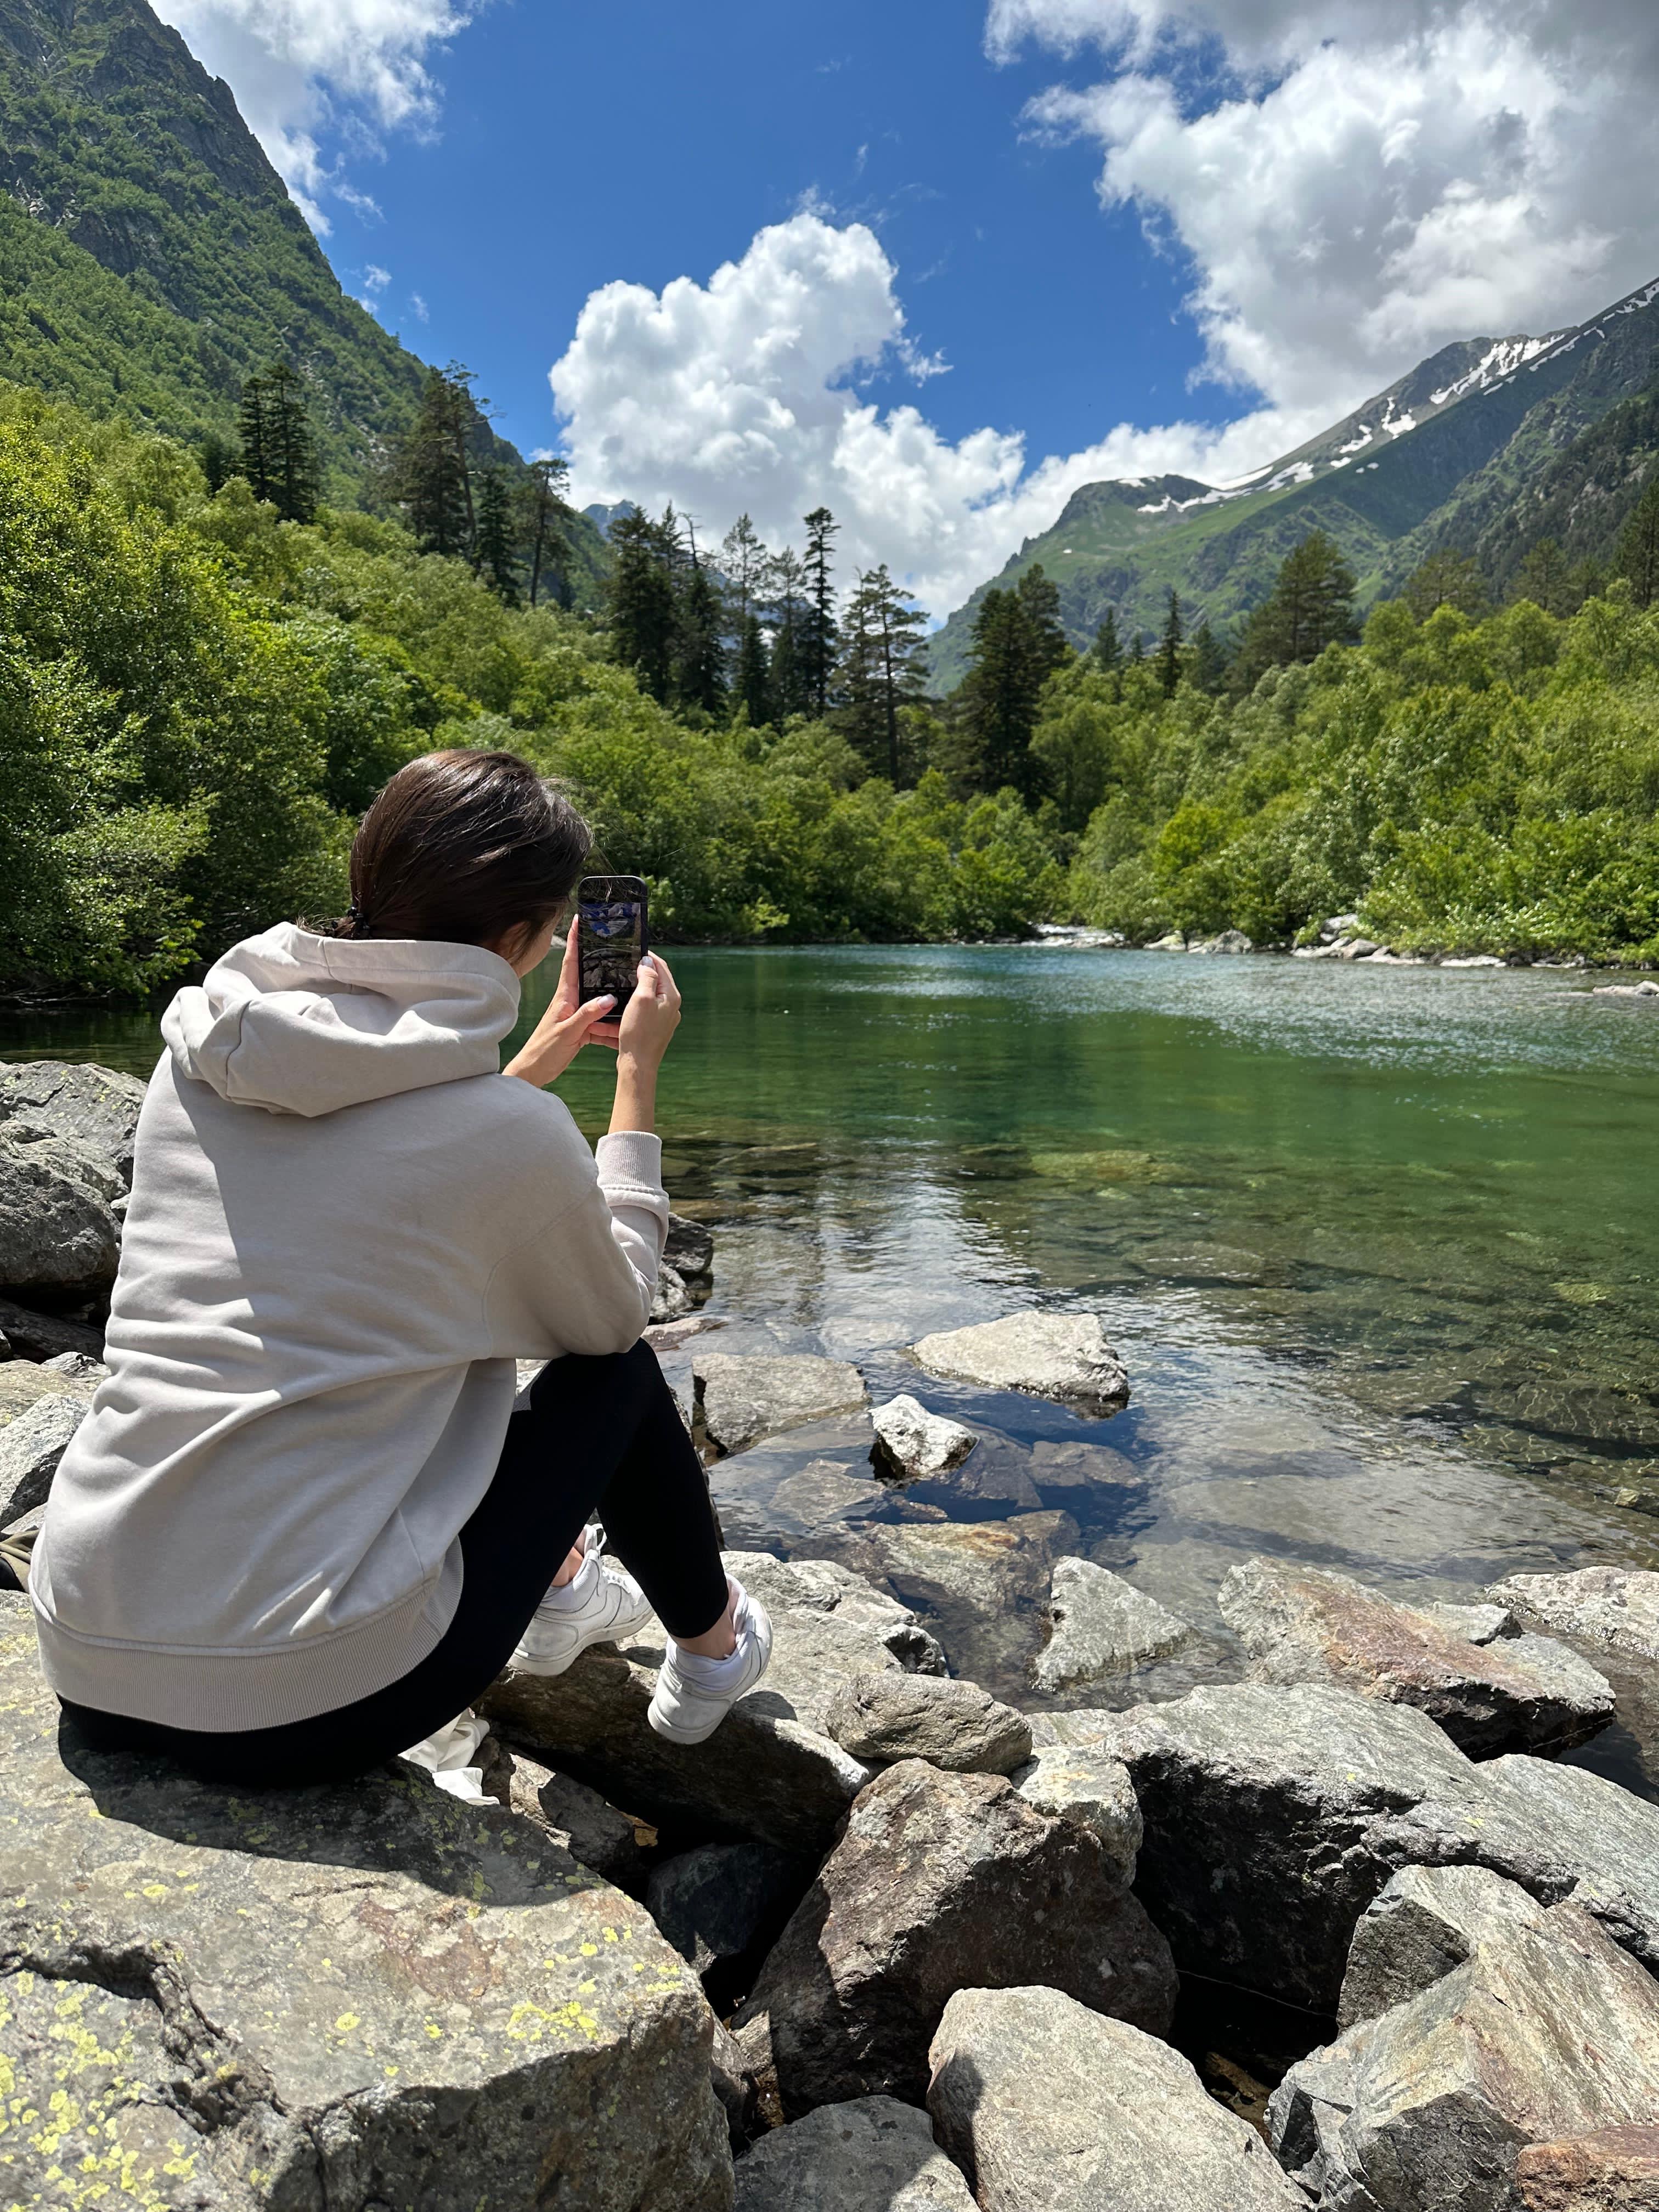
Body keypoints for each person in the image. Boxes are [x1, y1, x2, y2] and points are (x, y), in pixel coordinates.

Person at [29, 748, 771, 1788]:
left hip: (88, 1642)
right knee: (610, 1377)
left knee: (413, 1347)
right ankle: (715, 1646)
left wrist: (531, 1066)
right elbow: (609, 1318)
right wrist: (635, 1079)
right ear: (519, 939)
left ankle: (560, 1588)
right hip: (293, 1704)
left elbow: (378, 1181)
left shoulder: (196, 1058)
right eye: (557, 927)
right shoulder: (501, 1136)